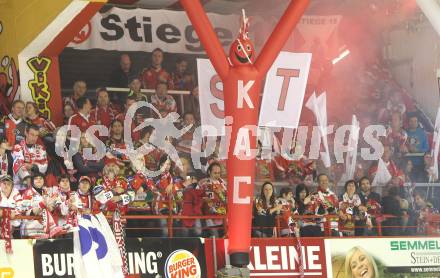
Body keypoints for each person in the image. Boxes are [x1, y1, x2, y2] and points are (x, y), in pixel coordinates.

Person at [12, 124, 48, 191]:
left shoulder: (41, 148)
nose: (34, 138)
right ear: (26, 132)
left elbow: (44, 167)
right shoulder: (17, 147)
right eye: (32, 134)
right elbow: (19, 166)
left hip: (38, 185)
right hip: (20, 187)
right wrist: (29, 182)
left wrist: (32, 166)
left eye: (36, 135)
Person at [199, 161, 227, 237]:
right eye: (215, 173)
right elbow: (210, 199)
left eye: (219, 173)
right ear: (209, 172)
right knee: (215, 235)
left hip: (223, 214)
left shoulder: (223, 183)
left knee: (226, 235)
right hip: (211, 214)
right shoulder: (205, 183)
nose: (217, 175)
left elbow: (227, 196)